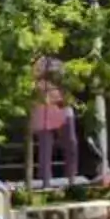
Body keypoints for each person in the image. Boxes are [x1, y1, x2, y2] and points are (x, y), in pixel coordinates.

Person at [29, 54, 78, 184]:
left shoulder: (62, 63)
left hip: (61, 107)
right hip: (43, 108)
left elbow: (67, 81)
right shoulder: (36, 62)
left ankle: (71, 179)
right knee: (45, 147)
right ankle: (46, 181)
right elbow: (33, 81)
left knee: (71, 143)